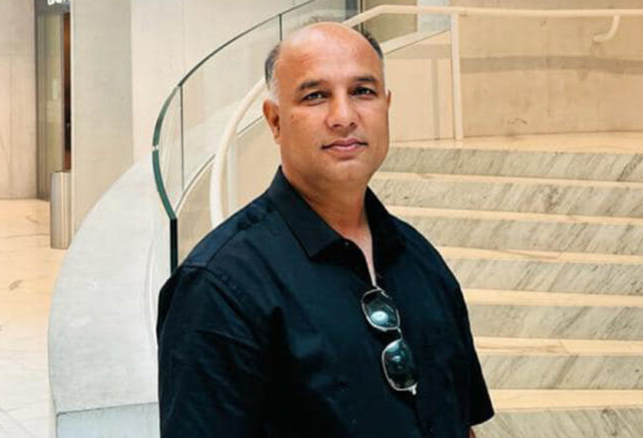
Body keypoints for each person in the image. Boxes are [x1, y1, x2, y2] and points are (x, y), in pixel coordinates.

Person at [156, 22, 493, 438]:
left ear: (386, 106)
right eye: (315, 96)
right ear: (275, 121)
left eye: (363, 91)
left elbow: (463, 423)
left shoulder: (420, 259)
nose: (344, 117)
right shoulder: (219, 285)